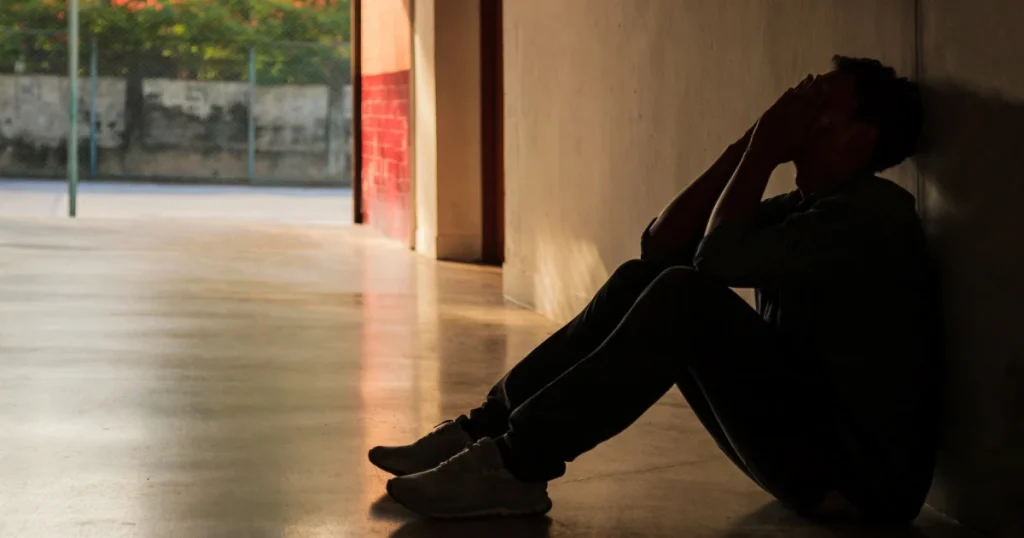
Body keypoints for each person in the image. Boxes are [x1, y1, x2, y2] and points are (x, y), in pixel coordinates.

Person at [368, 56, 938, 523]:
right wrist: (749, 144)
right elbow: (662, 245)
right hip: (808, 448)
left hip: (858, 485)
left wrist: (764, 151)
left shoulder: (872, 215)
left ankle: (516, 466)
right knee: (645, 279)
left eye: (820, 107)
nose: (799, 115)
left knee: (684, 296)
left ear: (860, 138)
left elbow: (715, 261)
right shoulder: (809, 206)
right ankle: (483, 431)